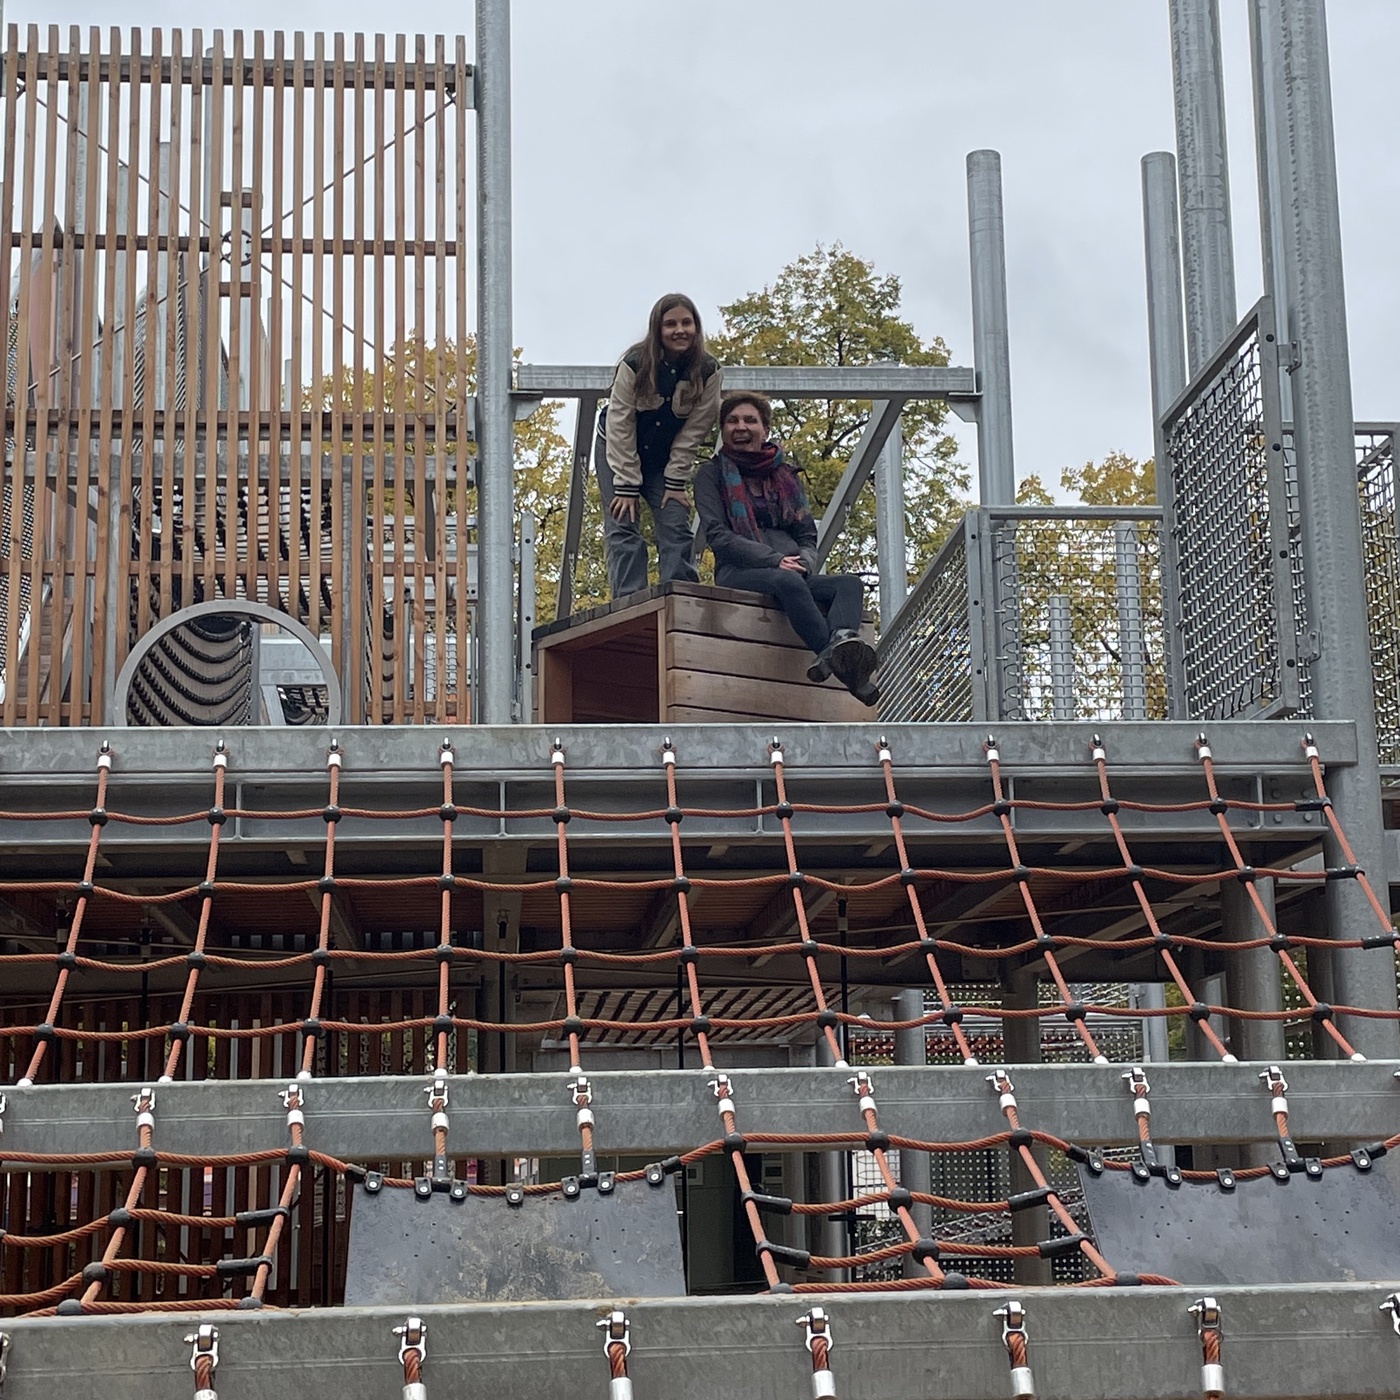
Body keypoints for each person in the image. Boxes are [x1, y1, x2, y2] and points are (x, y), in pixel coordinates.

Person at [694, 393, 879, 706]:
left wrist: (805, 561)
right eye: (732, 420)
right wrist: (775, 560)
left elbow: (807, 534)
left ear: (765, 429)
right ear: (722, 430)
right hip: (740, 572)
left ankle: (837, 646)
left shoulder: (786, 477)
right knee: (788, 581)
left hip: (792, 570)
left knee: (849, 584)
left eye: (750, 420)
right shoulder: (710, 475)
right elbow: (718, 536)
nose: (741, 426)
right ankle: (847, 668)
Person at [596, 293, 722, 599]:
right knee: (622, 523)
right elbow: (620, 421)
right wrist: (625, 484)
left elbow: (695, 430)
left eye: (686, 323)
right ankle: (629, 601)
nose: (679, 330)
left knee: (675, 523)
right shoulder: (635, 363)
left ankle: (681, 598)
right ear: (657, 329)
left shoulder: (708, 370)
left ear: (696, 327)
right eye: (670, 324)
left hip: (665, 460)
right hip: (618, 451)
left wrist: (676, 480)